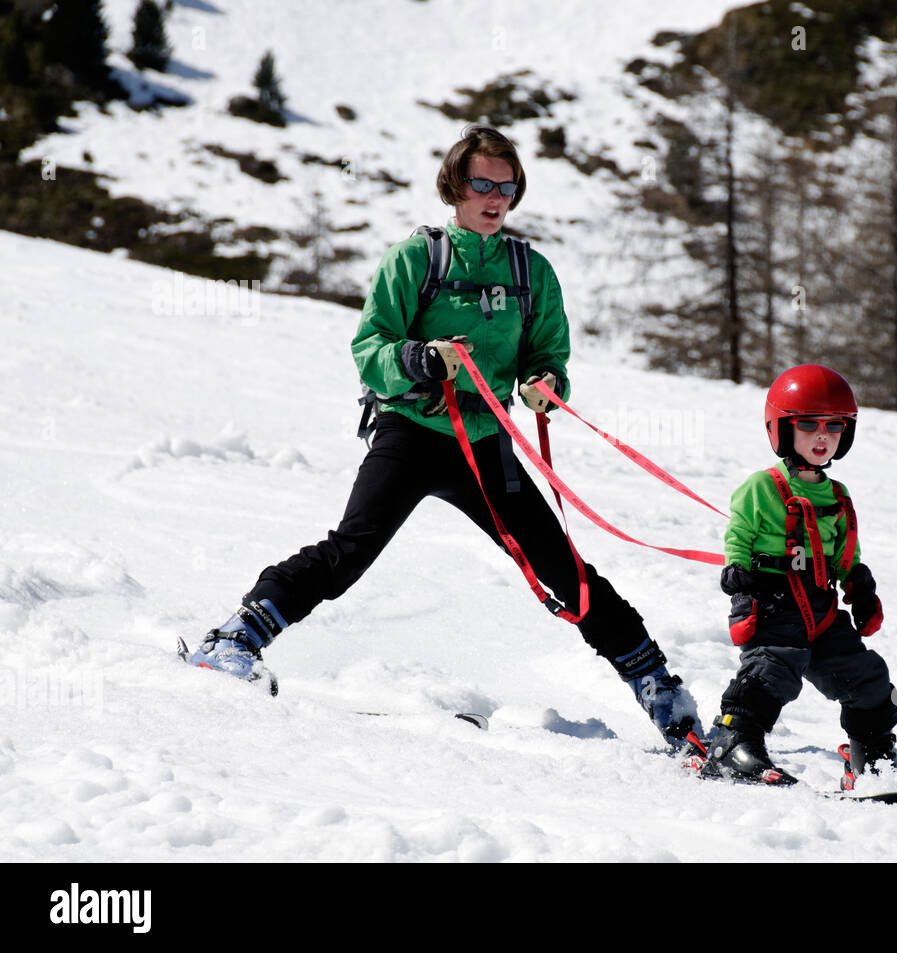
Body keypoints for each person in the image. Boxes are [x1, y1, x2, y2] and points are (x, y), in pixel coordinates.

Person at [185, 125, 702, 749]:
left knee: (561, 566)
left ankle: (658, 687)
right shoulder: (415, 260)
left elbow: (549, 353)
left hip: (484, 441)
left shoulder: (530, 270)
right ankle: (234, 638)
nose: (495, 197)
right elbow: (369, 345)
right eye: (482, 183)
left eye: (507, 187)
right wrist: (419, 358)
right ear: (454, 187)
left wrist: (545, 383)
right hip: (412, 430)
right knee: (352, 548)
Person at [696, 364, 897, 792]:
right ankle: (733, 742)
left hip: (822, 605)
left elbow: (846, 551)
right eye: (808, 425)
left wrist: (860, 587)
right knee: (775, 667)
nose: (822, 435)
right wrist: (737, 568)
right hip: (771, 599)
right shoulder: (763, 486)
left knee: (867, 676)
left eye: (834, 426)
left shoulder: (838, 495)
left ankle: (875, 759)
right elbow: (739, 532)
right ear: (782, 429)